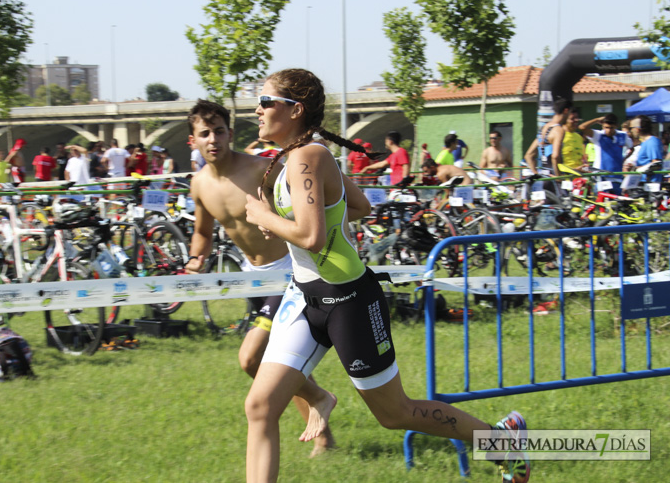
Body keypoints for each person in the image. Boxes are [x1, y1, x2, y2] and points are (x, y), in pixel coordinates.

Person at [243, 68, 529, 483]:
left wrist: (269, 216)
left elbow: (312, 236)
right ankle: (322, 400)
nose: (258, 108)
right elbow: (358, 205)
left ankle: (502, 441)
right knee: (260, 406)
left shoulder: (309, 156)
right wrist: (296, 216)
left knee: (395, 414)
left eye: (266, 101)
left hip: (348, 302)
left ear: (295, 109)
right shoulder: (298, 157)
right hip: (305, 297)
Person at [184, 98, 335, 457]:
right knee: (283, 363)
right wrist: (194, 260)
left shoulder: (260, 169)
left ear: (230, 134)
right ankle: (323, 433)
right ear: (193, 141)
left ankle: (319, 399)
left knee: (251, 359)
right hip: (253, 281)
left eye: (219, 131)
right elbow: (203, 233)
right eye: (204, 134)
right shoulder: (199, 184)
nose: (213, 139)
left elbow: (304, 202)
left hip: (287, 277)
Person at [579, 113, 633, 193]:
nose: (608, 130)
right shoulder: (598, 135)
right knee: (602, 203)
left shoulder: (622, 135)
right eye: (606, 127)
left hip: (617, 176)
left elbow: (631, 148)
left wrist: (623, 160)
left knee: (617, 203)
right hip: (601, 176)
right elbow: (582, 127)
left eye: (611, 128)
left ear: (616, 126)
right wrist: (597, 120)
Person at [524, 98, 572, 176]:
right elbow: (555, 156)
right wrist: (558, 177)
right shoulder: (559, 130)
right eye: (570, 113)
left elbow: (528, 155)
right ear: (566, 111)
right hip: (554, 178)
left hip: (544, 176)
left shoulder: (544, 128)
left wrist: (536, 174)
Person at [628, 115, 664, 183]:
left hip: (651, 184)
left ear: (637, 129)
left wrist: (637, 170)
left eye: (631, 128)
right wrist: (634, 168)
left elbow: (657, 164)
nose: (631, 131)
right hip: (643, 183)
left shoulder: (652, 142)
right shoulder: (644, 142)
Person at [559, 108, 585, 173]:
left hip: (579, 178)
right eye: (572, 118)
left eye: (577, 118)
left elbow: (582, 158)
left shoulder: (578, 137)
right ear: (565, 120)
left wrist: (585, 167)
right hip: (564, 178)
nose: (576, 120)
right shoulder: (558, 136)